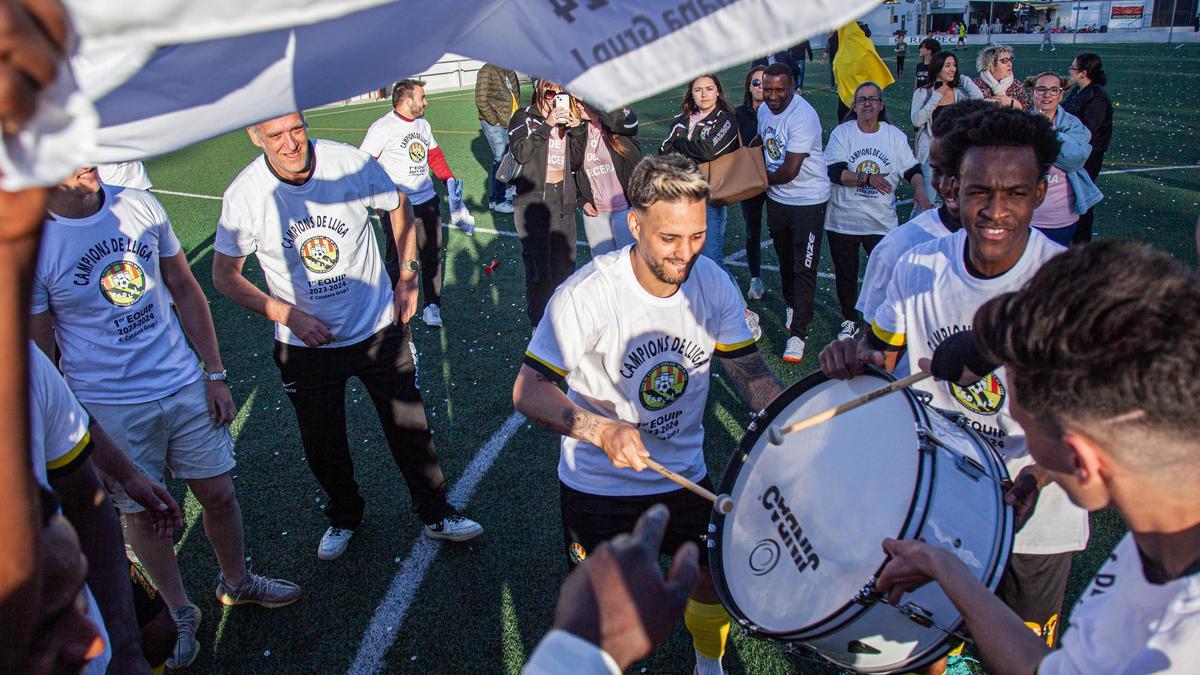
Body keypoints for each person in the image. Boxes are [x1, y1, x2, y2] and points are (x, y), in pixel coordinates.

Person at [820, 107, 1090, 666]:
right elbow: (884, 357)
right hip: (938, 497)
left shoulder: (1069, 290)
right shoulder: (917, 264)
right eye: (979, 192)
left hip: (1036, 518)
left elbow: (1091, 426)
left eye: (1015, 193)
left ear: (1040, 193)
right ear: (953, 189)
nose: (995, 211)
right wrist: (853, 359)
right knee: (918, 643)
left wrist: (1035, 478)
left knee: (1016, 656)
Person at [512, 154, 783, 675]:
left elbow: (749, 373)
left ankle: (709, 661)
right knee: (606, 613)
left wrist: (786, 414)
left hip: (685, 475)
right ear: (635, 224)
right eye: (670, 238)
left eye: (697, 236)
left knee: (709, 573)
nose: (686, 254)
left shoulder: (713, 282)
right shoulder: (586, 296)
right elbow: (529, 390)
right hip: (599, 487)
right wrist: (599, 428)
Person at [878, 240, 1200, 674]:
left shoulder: (1169, 653)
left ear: (1083, 462)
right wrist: (946, 568)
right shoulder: (1166, 529)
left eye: (1025, 428)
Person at [32, 167, 302, 669]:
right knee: (145, 515)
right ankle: (179, 609)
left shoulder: (139, 204)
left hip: (182, 383)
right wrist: (78, 426)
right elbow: (44, 358)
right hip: (109, 403)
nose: (85, 159)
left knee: (219, 494)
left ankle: (237, 581)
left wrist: (215, 373)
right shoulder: (36, 243)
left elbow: (184, 286)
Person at [212, 112, 483, 565]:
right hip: (305, 347)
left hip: (376, 328)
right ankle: (345, 515)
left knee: (409, 427)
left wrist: (409, 275)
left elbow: (399, 204)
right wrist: (287, 315)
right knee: (323, 443)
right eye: (275, 135)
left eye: (296, 129)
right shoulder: (245, 195)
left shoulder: (346, 164)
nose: (290, 143)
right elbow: (224, 276)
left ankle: (436, 512)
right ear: (254, 136)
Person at [28, 342, 184, 674]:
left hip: (62, 571)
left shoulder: (20, 361)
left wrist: (125, 643)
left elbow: (88, 504)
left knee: (158, 634)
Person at [856, 100, 991, 329]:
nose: (948, 185)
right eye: (938, 170)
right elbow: (877, 346)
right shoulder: (897, 248)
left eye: (961, 170)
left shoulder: (1032, 250)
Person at [522, 504, 699, 674]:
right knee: (592, 584)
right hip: (590, 491)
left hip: (688, 480)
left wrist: (576, 649)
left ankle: (709, 663)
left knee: (712, 568)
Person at [824, 82, 930, 342]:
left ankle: (884, 319)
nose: (868, 104)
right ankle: (850, 319)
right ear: (855, 106)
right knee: (846, 275)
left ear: (881, 105)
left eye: (873, 99)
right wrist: (868, 179)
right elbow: (834, 172)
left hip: (881, 223)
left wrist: (920, 190)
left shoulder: (893, 135)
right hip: (843, 220)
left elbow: (912, 170)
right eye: (862, 99)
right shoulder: (842, 133)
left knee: (888, 273)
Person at [360, 79, 466, 329]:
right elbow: (364, 164)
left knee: (431, 254)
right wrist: (378, 195)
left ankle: (432, 306)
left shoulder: (423, 124)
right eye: (422, 97)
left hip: (427, 201)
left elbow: (434, 155)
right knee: (397, 259)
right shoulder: (382, 128)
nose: (426, 102)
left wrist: (448, 180)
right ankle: (394, 306)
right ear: (407, 100)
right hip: (397, 208)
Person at [758, 62, 830, 364]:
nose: (773, 96)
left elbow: (788, 170)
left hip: (807, 202)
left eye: (780, 90)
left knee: (805, 267)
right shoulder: (764, 110)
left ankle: (799, 333)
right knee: (785, 260)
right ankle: (792, 305)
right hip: (778, 200)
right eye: (767, 89)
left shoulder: (803, 116)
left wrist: (752, 180)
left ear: (792, 86)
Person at [507, 79, 586, 328]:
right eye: (550, 92)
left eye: (560, 93)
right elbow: (521, 153)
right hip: (533, 201)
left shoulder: (568, 121)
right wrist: (547, 125)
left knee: (565, 268)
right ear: (540, 92)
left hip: (562, 196)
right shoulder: (523, 117)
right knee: (539, 272)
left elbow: (575, 162)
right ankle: (538, 329)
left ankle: (562, 327)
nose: (555, 98)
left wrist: (578, 130)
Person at [659, 74, 740, 270]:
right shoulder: (681, 121)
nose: (704, 94)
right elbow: (663, 152)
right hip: (681, 198)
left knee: (711, 260)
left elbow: (709, 150)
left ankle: (734, 301)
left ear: (718, 92)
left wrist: (680, 144)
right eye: (698, 90)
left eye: (709, 89)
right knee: (685, 258)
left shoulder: (726, 119)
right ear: (692, 94)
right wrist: (690, 148)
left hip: (710, 197)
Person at [1027, 71, 1103, 245]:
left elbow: (1074, 159)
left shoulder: (1073, 124)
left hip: (1061, 219)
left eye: (1054, 90)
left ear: (1061, 95)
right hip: (1025, 217)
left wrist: (1044, 129)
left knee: (1054, 269)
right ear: (1033, 93)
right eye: (1041, 89)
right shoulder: (1019, 122)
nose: (1047, 95)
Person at [911, 51, 984, 215]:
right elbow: (916, 120)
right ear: (937, 68)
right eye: (948, 65)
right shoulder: (923, 93)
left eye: (954, 65)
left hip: (954, 155)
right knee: (926, 202)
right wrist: (936, 97)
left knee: (951, 200)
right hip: (931, 154)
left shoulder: (958, 93)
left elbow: (979, 102)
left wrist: (964, 80)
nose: (953, 69)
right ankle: (916, 236)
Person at [576, 102, 641, 257]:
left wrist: (595, 104)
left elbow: (625, 119)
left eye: (584, 102)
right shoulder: (578, 132)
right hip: (595, 213)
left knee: (627, 262)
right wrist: (581, 200)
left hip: (625, 210)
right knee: (602, 264)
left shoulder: (621, 128)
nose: (578, 105)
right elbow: (571, 169)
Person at [1063, 53, 1113, 244]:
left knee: (1082, 197)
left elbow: (1086, 130)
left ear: (1083, 73)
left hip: (1088, 157)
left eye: (1073, 67)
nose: (1069, 70)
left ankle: (1081, 243)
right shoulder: (1079, 91)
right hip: (1075, 153)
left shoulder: (1097, 97)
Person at [735, 66, 768, 301]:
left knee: (781, 230)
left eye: (765, 82)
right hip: (750, 179)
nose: (760, 87)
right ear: (748, 86)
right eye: (756, 83)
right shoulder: (738, 114)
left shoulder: (780, 111)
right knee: (752, 230)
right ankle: (755, 277)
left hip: (779, 179)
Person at [474, 63, 521, 214]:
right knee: (501, 159)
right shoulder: (487, 70)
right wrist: (494, 121)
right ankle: (498, 200)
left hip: (511, 121)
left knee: (509, 157)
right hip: (495, 124)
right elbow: (481, 100)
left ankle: (500, 194)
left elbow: (515, 95)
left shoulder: (510, 69)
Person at [972, 44, 1032, 111]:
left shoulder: (1016, 85)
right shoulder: (975, 85)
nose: (1010, 64)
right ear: (992, 65)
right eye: (1005, 61)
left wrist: (1013, 103)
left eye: (1010, 60)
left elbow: (1028, 109)